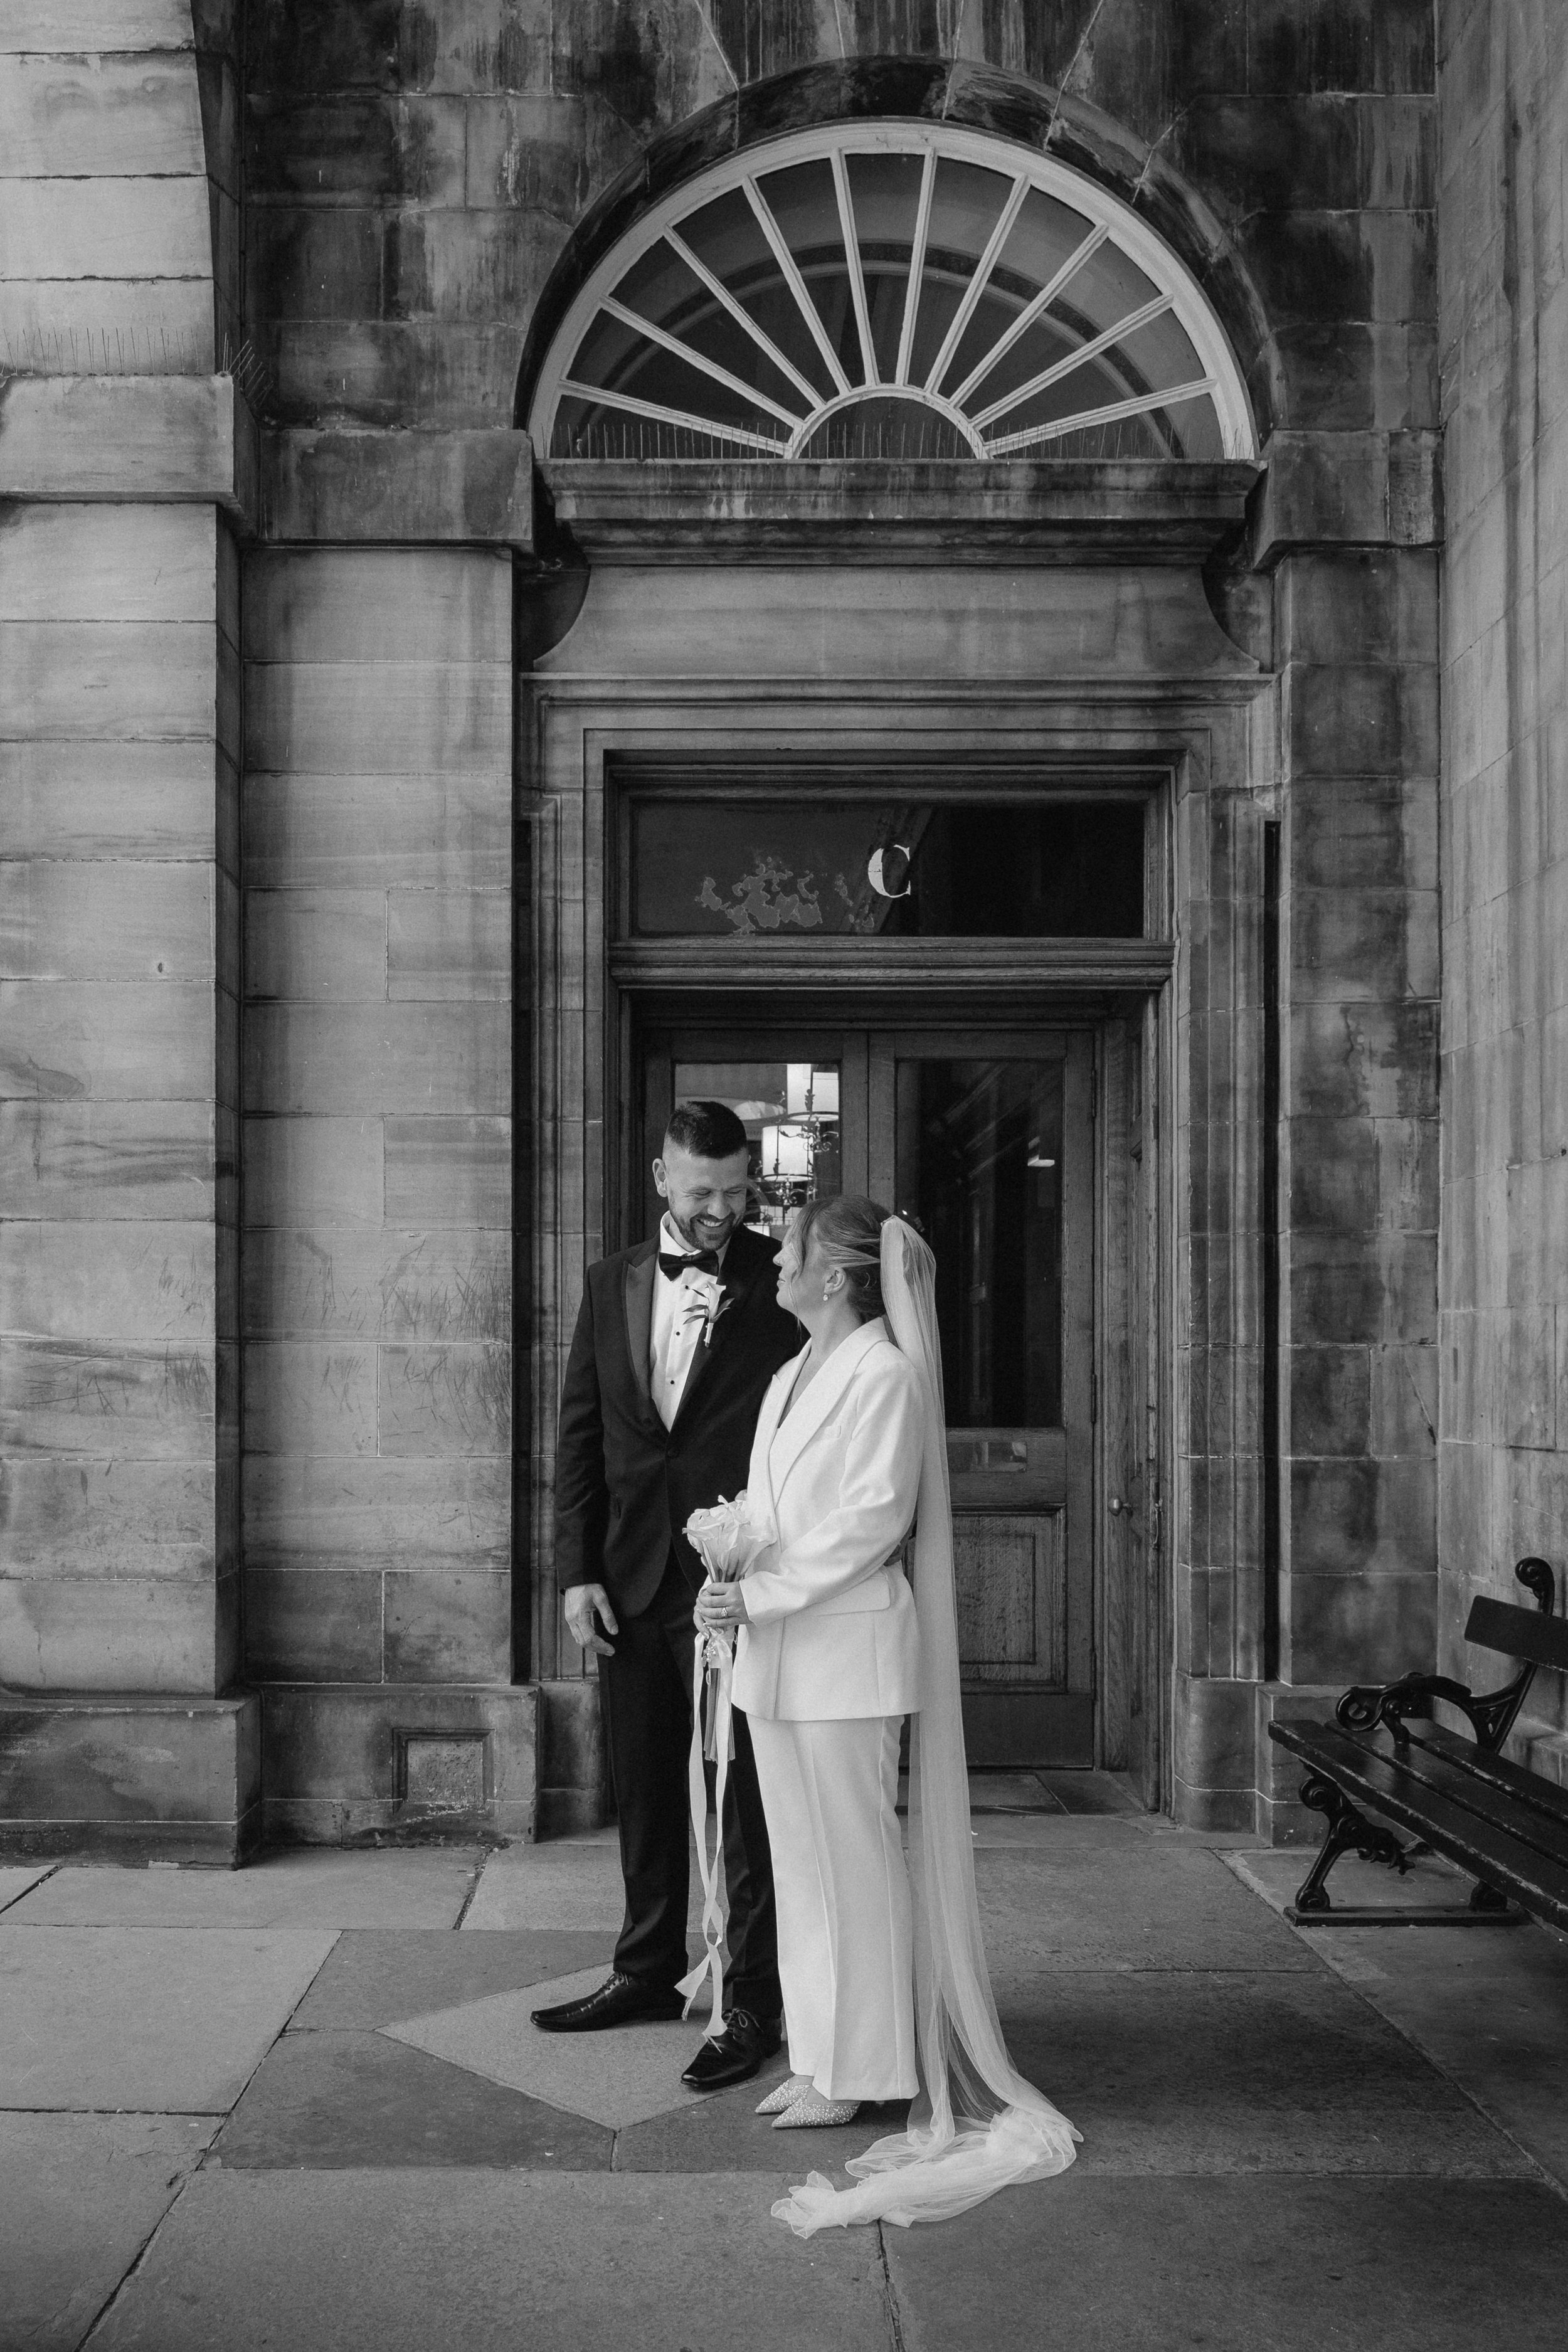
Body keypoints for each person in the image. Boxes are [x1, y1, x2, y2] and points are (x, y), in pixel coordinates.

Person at [694, 1197, 1081, 2229]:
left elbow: (871, 1522)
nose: (775, 1259)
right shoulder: (788, 1374)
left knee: (853, 1863)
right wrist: (725, 1555)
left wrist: (761, 1589)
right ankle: (821, 2051)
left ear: (839, 1275)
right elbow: (773, 1507)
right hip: (775, 1656)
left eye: (793, 1249)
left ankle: (865, 2064)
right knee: (800, 1864)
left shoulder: (888, 1376)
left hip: (846, 1656)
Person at [532, 1100, 801, 2095]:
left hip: (741, 1585)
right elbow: (580, 1439)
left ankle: (752, 2001)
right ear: (661, 1179)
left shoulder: (788, 1278)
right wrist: (576, 1570)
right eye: (703, 1194)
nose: (724, 1210)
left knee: (746, 1801)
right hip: (633, 1576)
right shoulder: (610, 1284)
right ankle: (645, 1970)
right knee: (644, 1782)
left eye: (738, 1192)